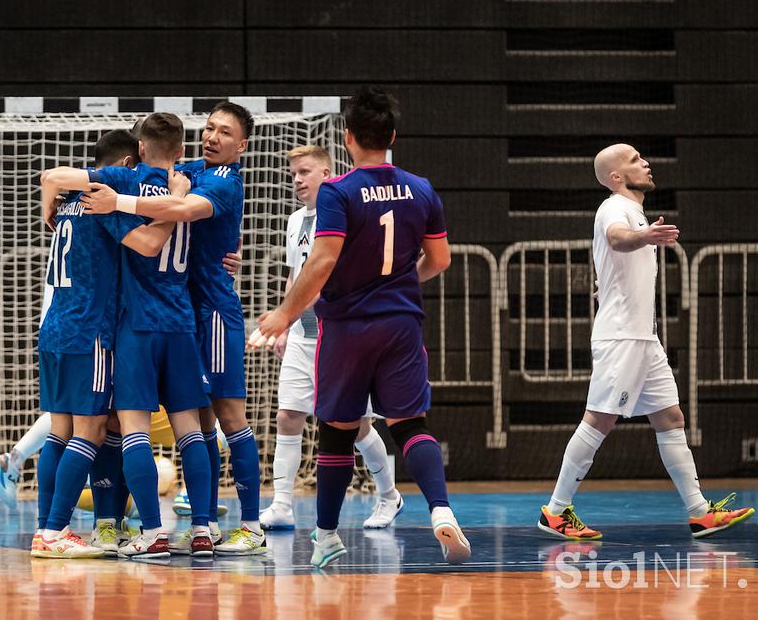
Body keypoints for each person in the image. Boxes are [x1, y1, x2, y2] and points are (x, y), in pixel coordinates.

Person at [250, 87, 470, 568]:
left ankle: (327, 536)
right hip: (401, 323)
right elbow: (440, 260)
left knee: (337, 430)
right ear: (392, 135)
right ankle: (441, 510)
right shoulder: (422, 188)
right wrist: (392, 283)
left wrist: (284, 314)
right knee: (410, 424)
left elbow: (323, 259)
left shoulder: (338, 191)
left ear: (348, 139)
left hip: (347, 326)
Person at [538, 143, 755, 541]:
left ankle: (699, 512)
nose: (646, 163)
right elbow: (618, 239)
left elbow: (614, 256)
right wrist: (646, 236)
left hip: (643, 338)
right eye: (636, 160)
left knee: (670, 418)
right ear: (618, 177)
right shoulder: (614, 207)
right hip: (622, 338)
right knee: (599, 420)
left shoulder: (632, 210)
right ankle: (555, 511)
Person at [84, 102, 265, 555]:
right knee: (195, 424)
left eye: (224, 132)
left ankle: (247, 524)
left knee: (224, 417)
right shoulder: (182, 172)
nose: (213, 136)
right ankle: (201, 525)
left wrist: (110, 201)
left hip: (207, 314)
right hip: (184, 313)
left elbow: (183, 208)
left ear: (242, 146)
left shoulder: (220, 182)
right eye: (209, 128)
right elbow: (162, 170)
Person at [52, 112, 215, 558]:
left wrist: (50, 201)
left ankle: (152, 532)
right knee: (191, 432)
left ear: (139, 148)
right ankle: (204, 529)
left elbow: (57, 175)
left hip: (134, 325)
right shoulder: (195, 183)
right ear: (181, 151)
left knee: (130, 430)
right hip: (181, 320)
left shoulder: (123, 182)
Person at [29, 129, 179, 558]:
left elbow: (49, 178)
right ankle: (56, 531)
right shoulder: (102, 203)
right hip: (90, 329)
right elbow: (149, 245)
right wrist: (173, 213)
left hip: (55, 326)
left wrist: (48, 207)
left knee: (59, 432)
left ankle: (45, 530)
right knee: (91, 430)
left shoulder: (69, 201)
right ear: (126, 167)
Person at [258, 145, 402, 531]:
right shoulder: (294, 222)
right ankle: (282, 504)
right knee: (288, 416)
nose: (298, 180)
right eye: (293, 175)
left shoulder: (345, 212)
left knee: (357, 426)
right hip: (304, 337)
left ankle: (389, 495)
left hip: (339, 336)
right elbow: (297, 277)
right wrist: (286, 324)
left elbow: (331, 273)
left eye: (305, 172)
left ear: (327, 172)